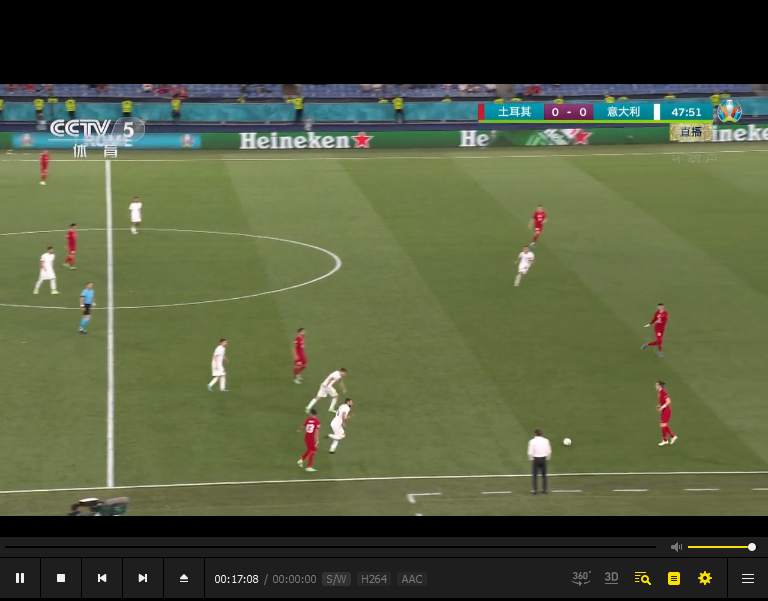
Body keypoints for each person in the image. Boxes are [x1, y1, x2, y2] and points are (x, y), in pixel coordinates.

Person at [528, 428, 552, 494]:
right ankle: (545, 489)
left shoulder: (532, 441)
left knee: (535, 476)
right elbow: (549, 451)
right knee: (544, 475)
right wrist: (547, 459)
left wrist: (531, 459)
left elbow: (530, 452)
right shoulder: (546, 441)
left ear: (535, 434)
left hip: (536, 459)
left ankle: (535, 490)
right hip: (543, 459)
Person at [656, 381, 677, 446]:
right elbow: (663, 402)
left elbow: (668, 401)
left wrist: (662, 407)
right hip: (664, 411)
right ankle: (673, 436)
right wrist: (660, 406)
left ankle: (665, 440)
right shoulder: (660, 392)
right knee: (663, 425)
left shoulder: (663, 392)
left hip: (666, 411)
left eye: (656, 385)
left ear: (660, 386)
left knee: (663, 425)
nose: (655, 386)